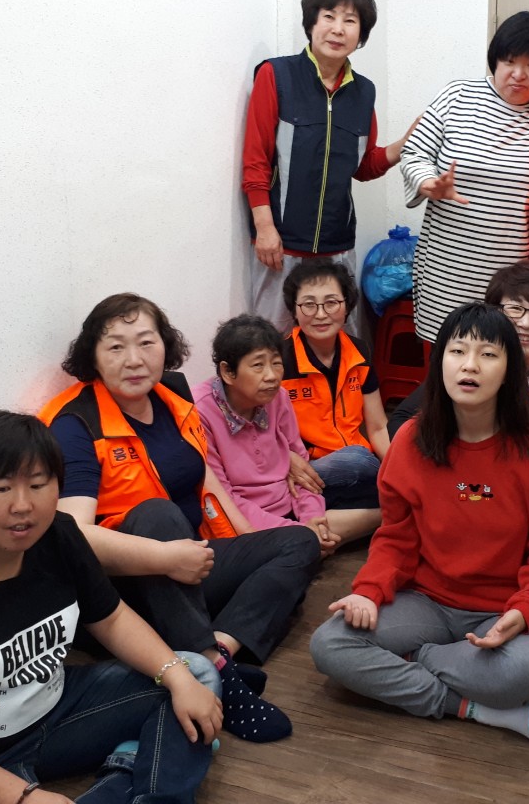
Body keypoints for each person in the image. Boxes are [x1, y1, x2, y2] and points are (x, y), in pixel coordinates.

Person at [0, 411, 222, 804]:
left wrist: (177, 678)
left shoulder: (59, 534)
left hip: (54, 713)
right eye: (2, 488)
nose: (23, 505)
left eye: (38, 485)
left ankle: (144, 789)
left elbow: (112, 619)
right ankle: (126, 770)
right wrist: (24, 799)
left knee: (196, 673)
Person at [39, 294, 320, 743]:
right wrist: (165, 558)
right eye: (115, 346)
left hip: (187, 562)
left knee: (299, 542)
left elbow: (205, 477)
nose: (134, 359)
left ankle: (218, 649)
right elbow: (71, 534)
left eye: (146, 342)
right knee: (157, 513)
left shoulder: (172, 397)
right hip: (122, 590)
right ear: (93, 355)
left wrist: (249, 544)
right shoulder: (77, 424)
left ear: (165, 346)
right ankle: (212, 666)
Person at [310, 303, 529, 741]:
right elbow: (395, 537)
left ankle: (414, 659)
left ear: (510, 370)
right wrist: (368, 592)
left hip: (498, 609)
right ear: (440, 363)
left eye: (488, 354)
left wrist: (526, 609)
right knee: (330, 644)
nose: (470, 365)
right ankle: (466, 706)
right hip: (426, 601)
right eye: (457, 351)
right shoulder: (410, 440)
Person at [242, 0, 415, 331]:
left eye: (350, 21)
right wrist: (265, 228)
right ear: (311, 23)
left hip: (338, 245)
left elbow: (363, 166)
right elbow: (256, 161)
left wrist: (402, 145)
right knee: (272, 340)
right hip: (282, 244)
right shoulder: (277, 75)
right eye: (329, 17)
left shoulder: (363, 92)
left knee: (338, 341)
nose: (338, 29)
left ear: (361, 34)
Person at [399, 10, 529, 341]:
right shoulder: (458, 96)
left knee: (499, 352)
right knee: (444, 352)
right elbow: (414, 152)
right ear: (495, 60)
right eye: (509, 61)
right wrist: (428, 183)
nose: (518, 74)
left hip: (509, 276)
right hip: (446, 265)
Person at [387, 260, 529, 508]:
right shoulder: (470, 366)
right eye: (515, 309)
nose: (526, 323)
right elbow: (401, 422)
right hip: (463, 492)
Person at [194, 313, 339, 554]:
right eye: (258, 365)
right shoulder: (201, 411)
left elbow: (302, 473)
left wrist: (312, 519)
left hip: (290, 507)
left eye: (276, 363)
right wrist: (300, 533)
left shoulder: (277, 397)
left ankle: (315, 541)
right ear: (228, 372)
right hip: (247, 525)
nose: (271, 376)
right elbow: (224, 498)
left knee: (363, 470)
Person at [278, 259, 386, 542]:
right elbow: (258, 433)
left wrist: (399, 472)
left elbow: (377, 427)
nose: (320, 314)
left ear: (346, 306)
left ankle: (311, 530)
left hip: (356, 469)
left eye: (331, 303)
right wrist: (286, 458)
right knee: (359, 459)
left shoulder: (359, 352)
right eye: (309, 304)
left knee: (398, 486)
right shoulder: (280, 360)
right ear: (294, 309)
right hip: (306, 469)